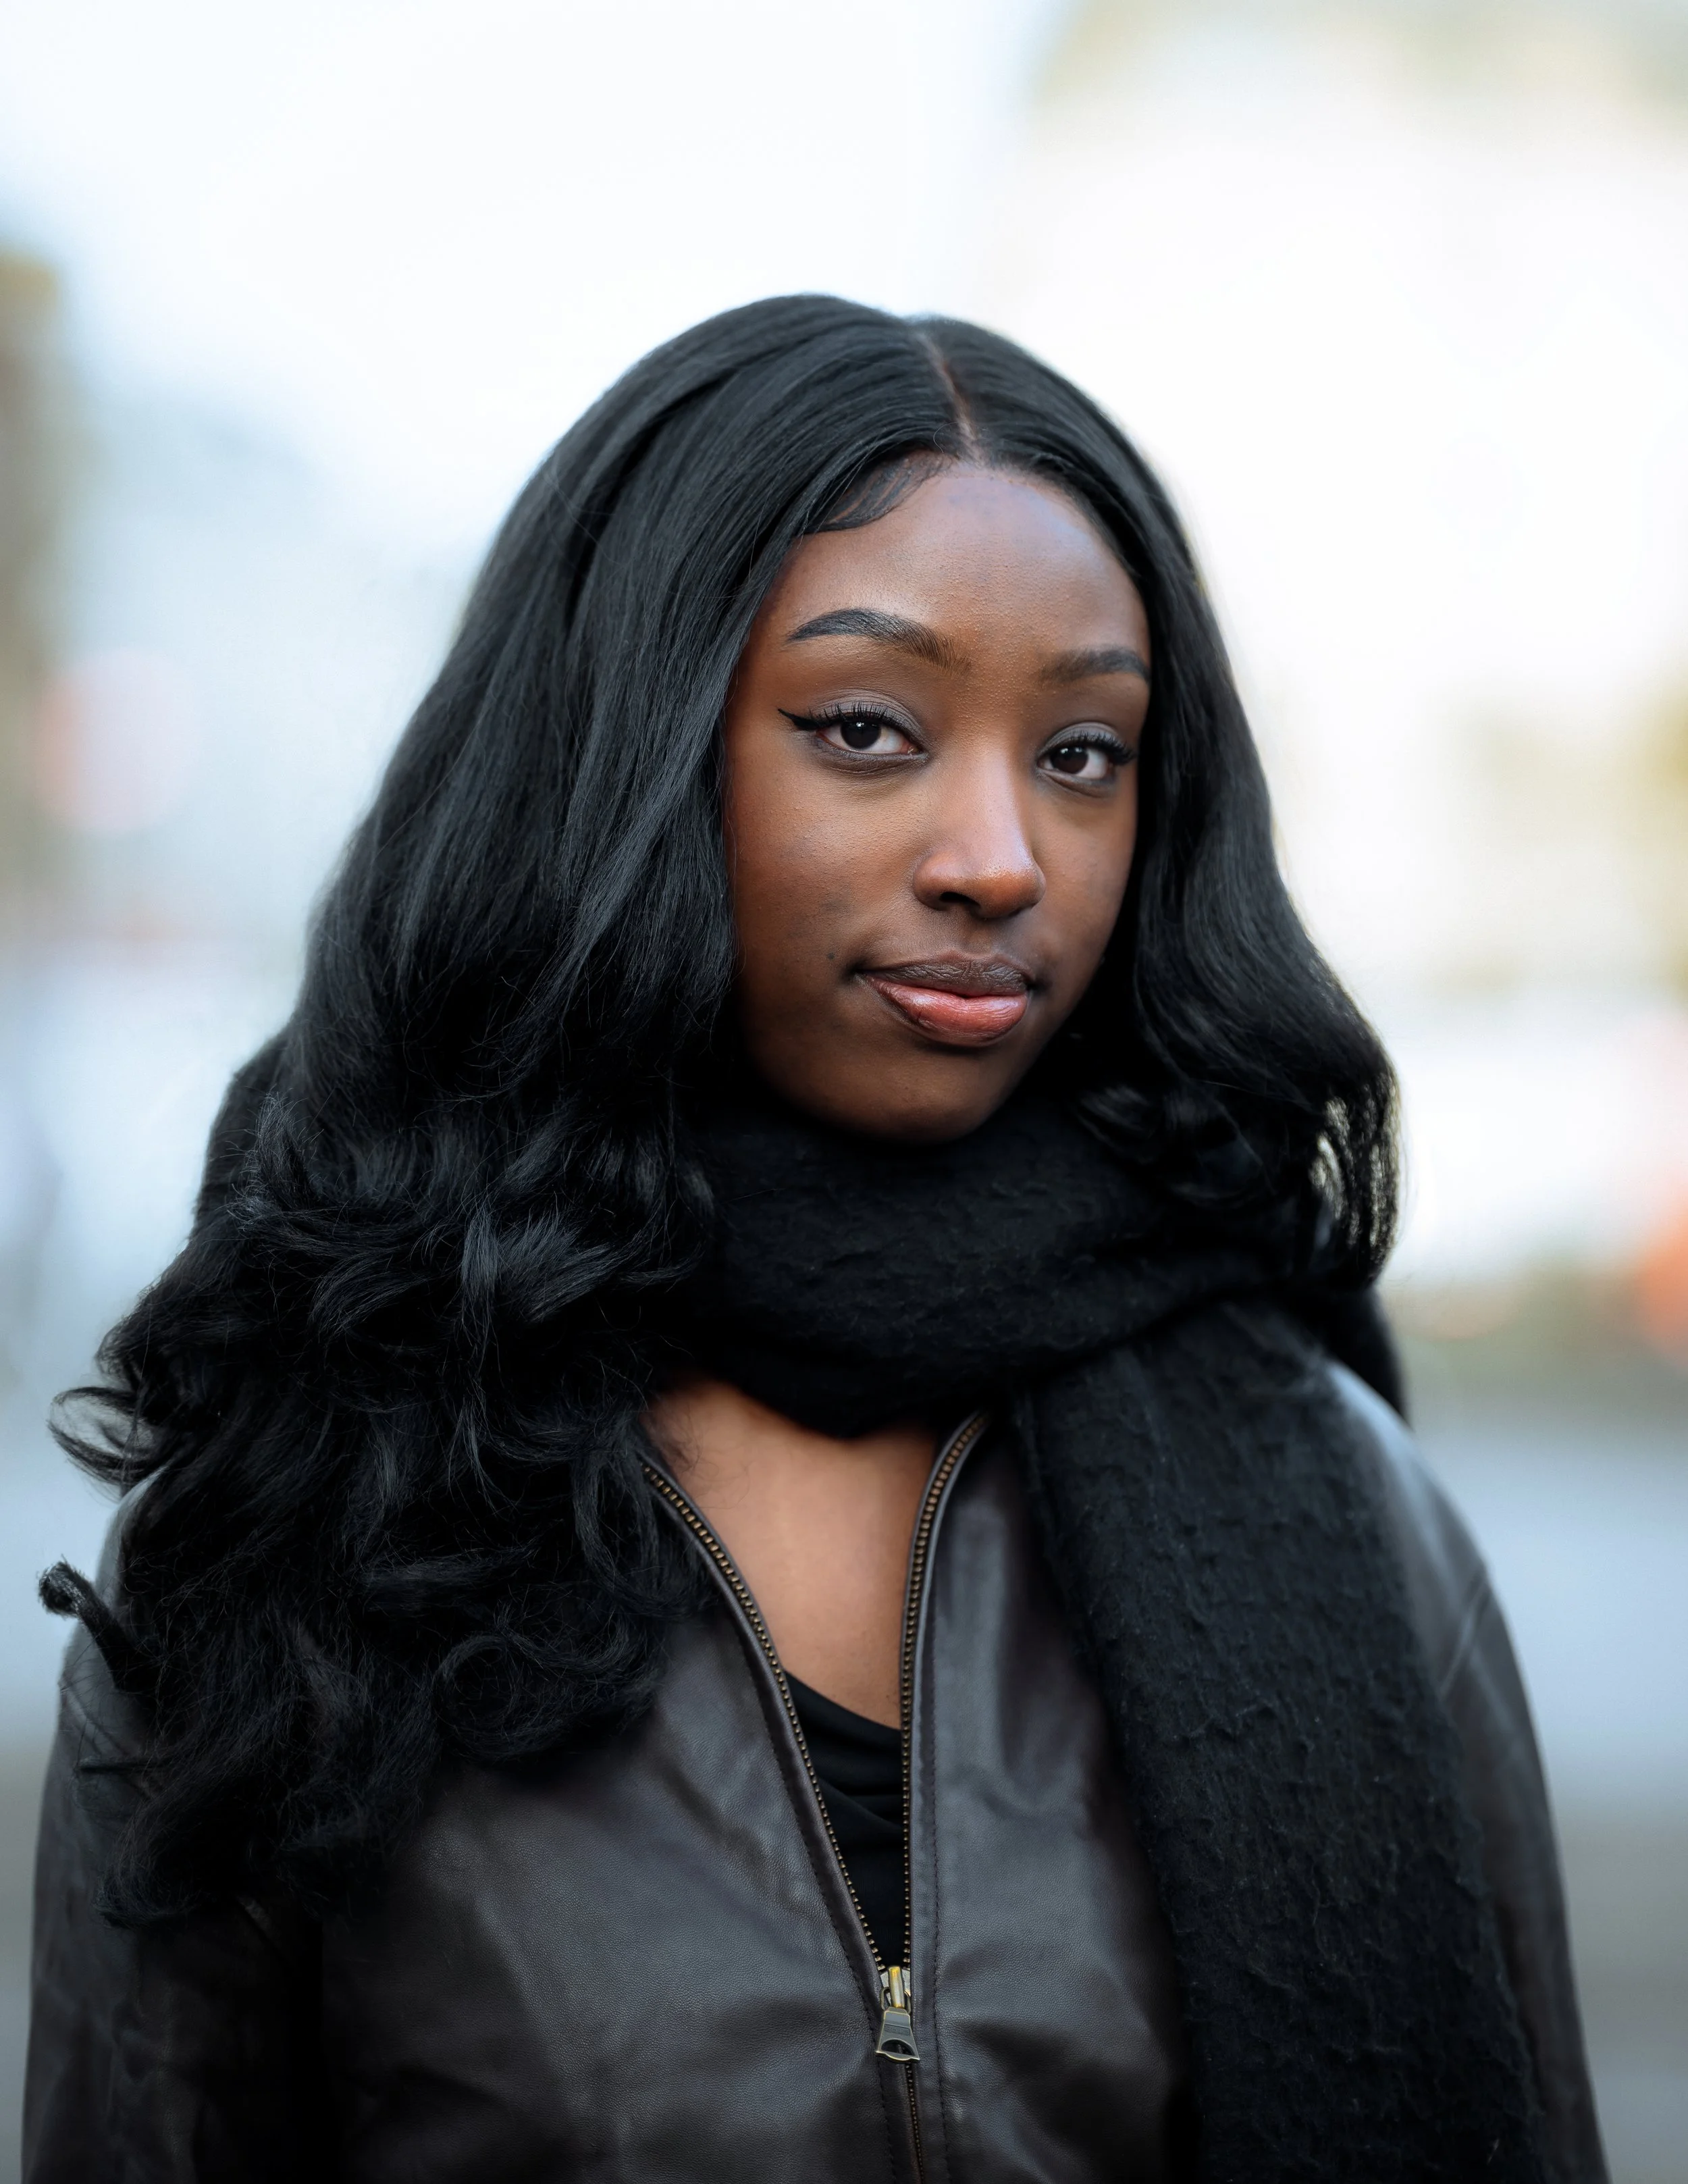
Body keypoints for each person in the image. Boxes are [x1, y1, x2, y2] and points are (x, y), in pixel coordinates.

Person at [25, 295, 1605, 2183]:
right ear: (628, 759)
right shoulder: (309, 1505)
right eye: (865, 729)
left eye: (1086, 753)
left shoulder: (1339, 1502)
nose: (997, 855)